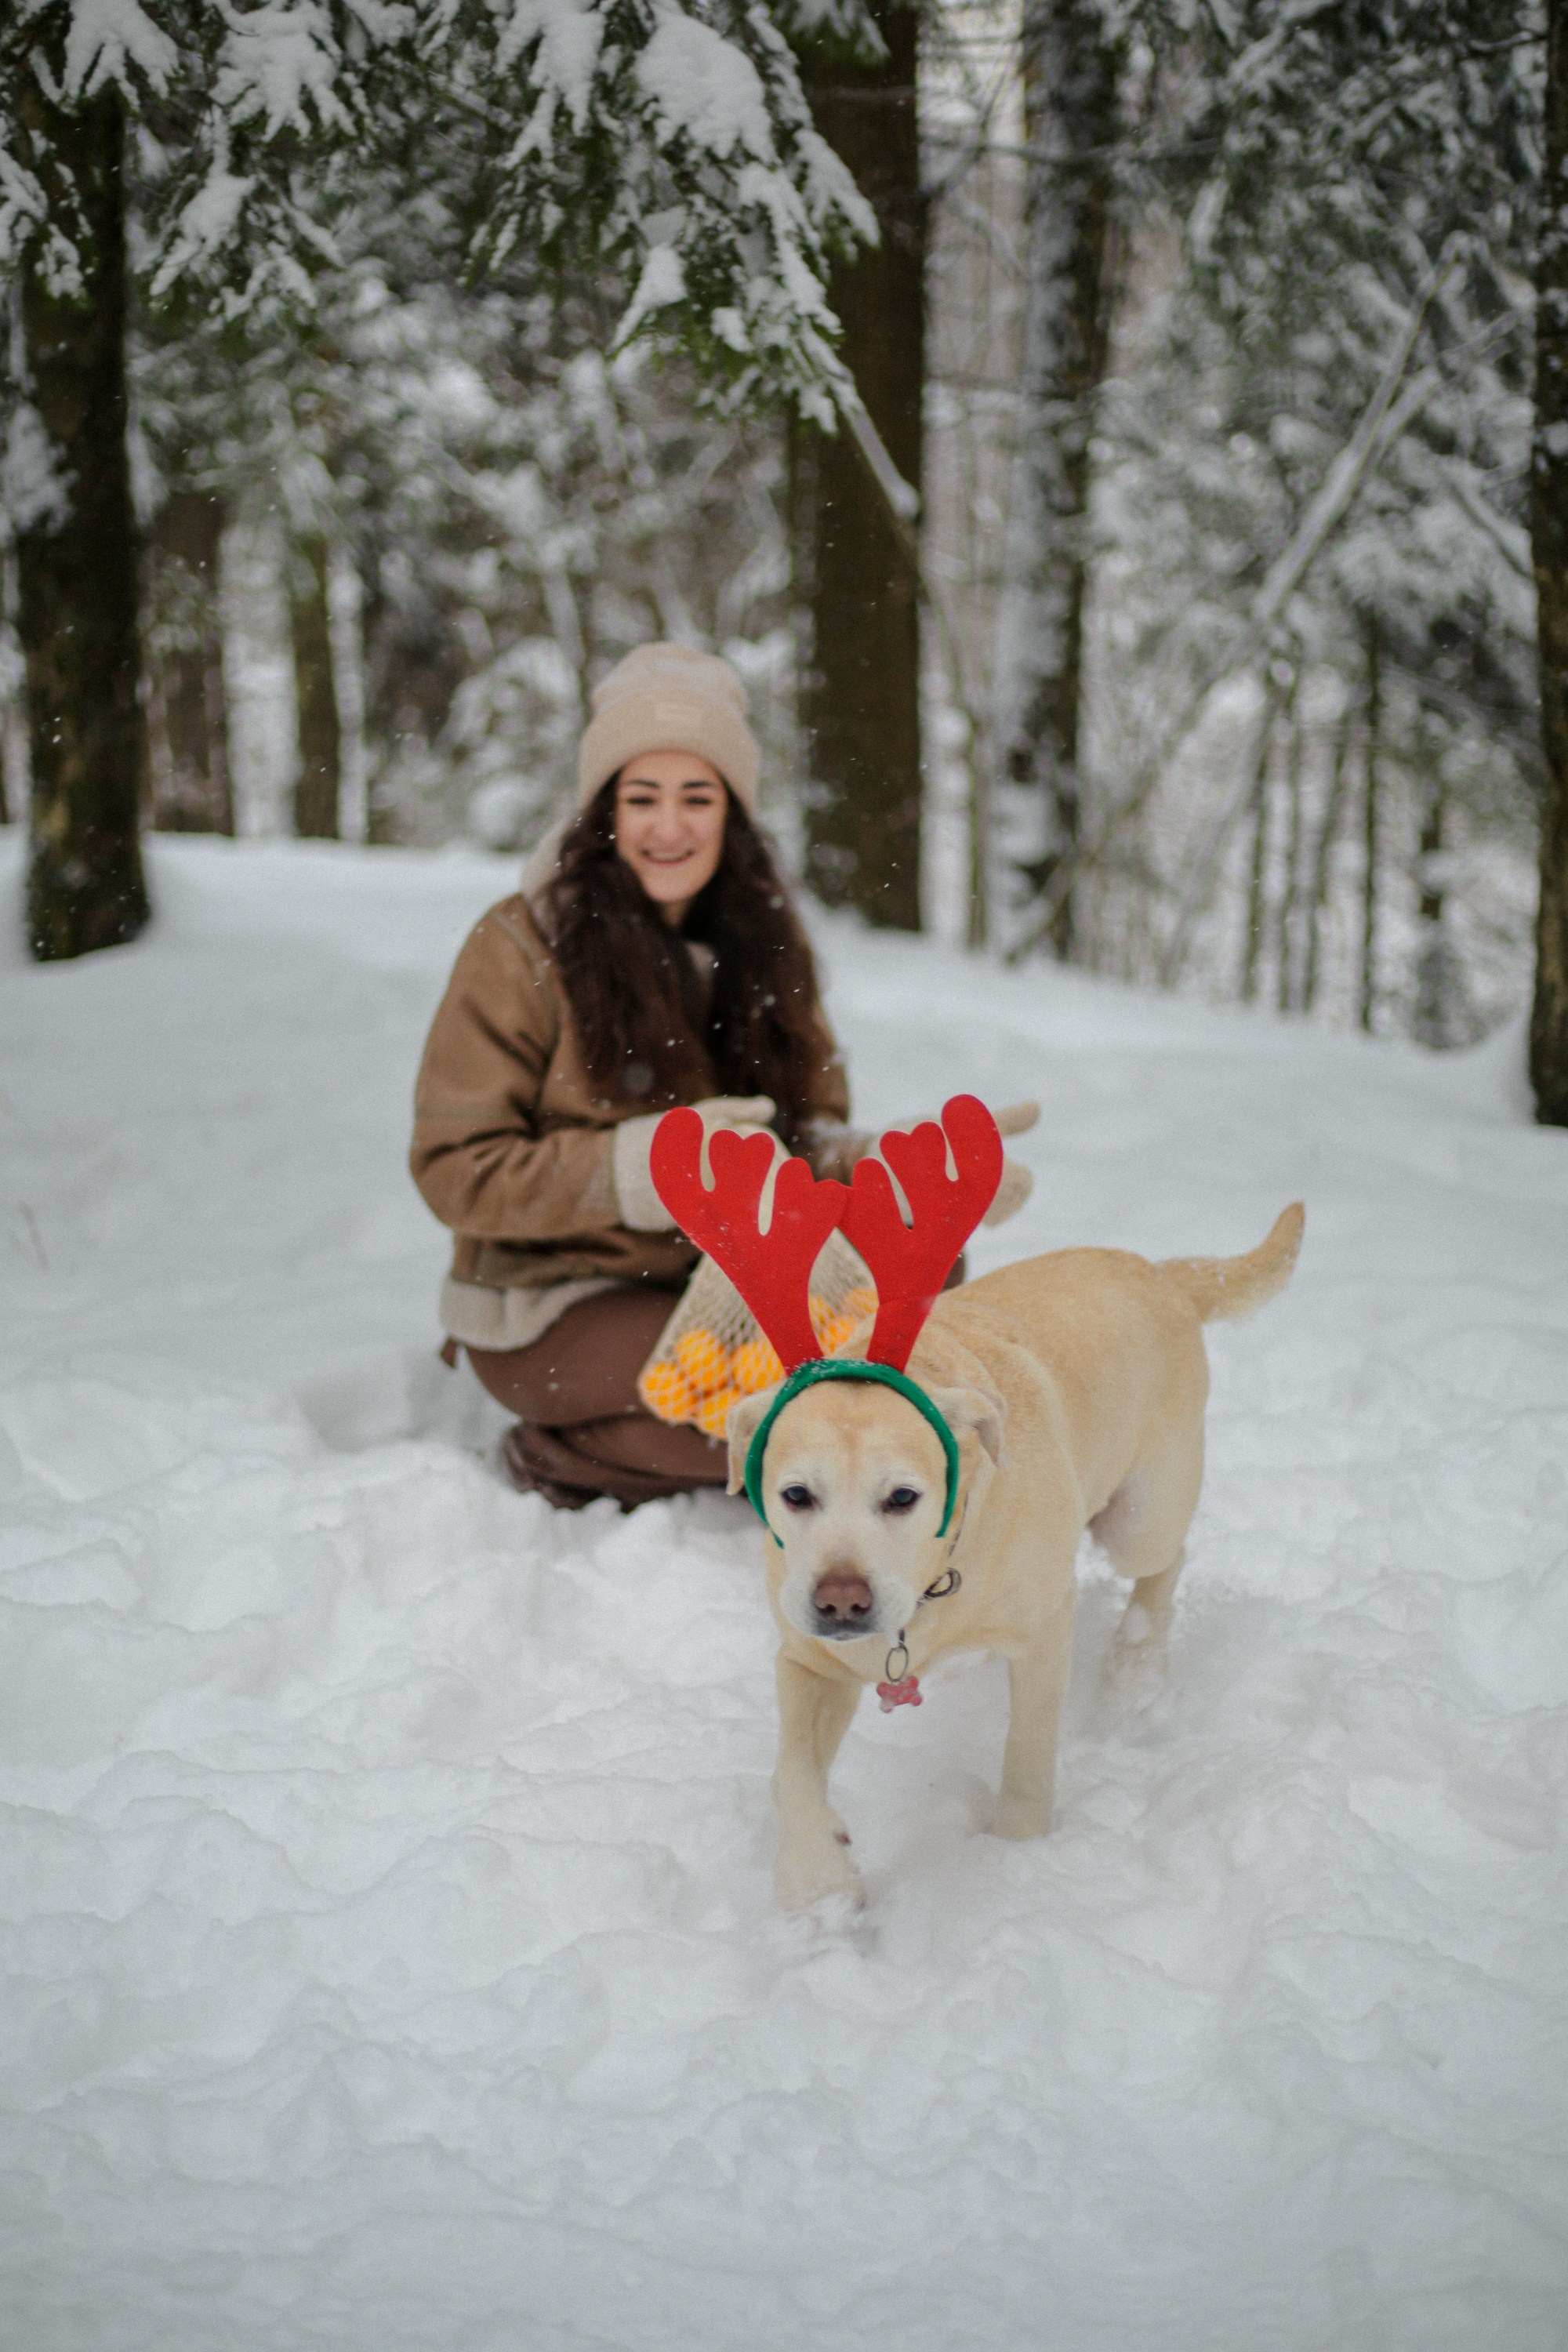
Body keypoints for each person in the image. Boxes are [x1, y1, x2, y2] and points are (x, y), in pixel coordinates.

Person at [411, 642, 1032, 1509]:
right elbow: (455, 1169)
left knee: (922, 1280)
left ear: (731, 813)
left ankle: (659, 1441)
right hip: (557, 1298)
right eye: (642, 798)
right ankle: (558, 1455)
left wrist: (902, 1166)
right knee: (788, 1426)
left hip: (736, 1281)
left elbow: (803, 1139)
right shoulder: (518, 945)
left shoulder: (766, 939)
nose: (669, 828)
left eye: (696, 797)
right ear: (603, 812)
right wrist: (643, 1172)